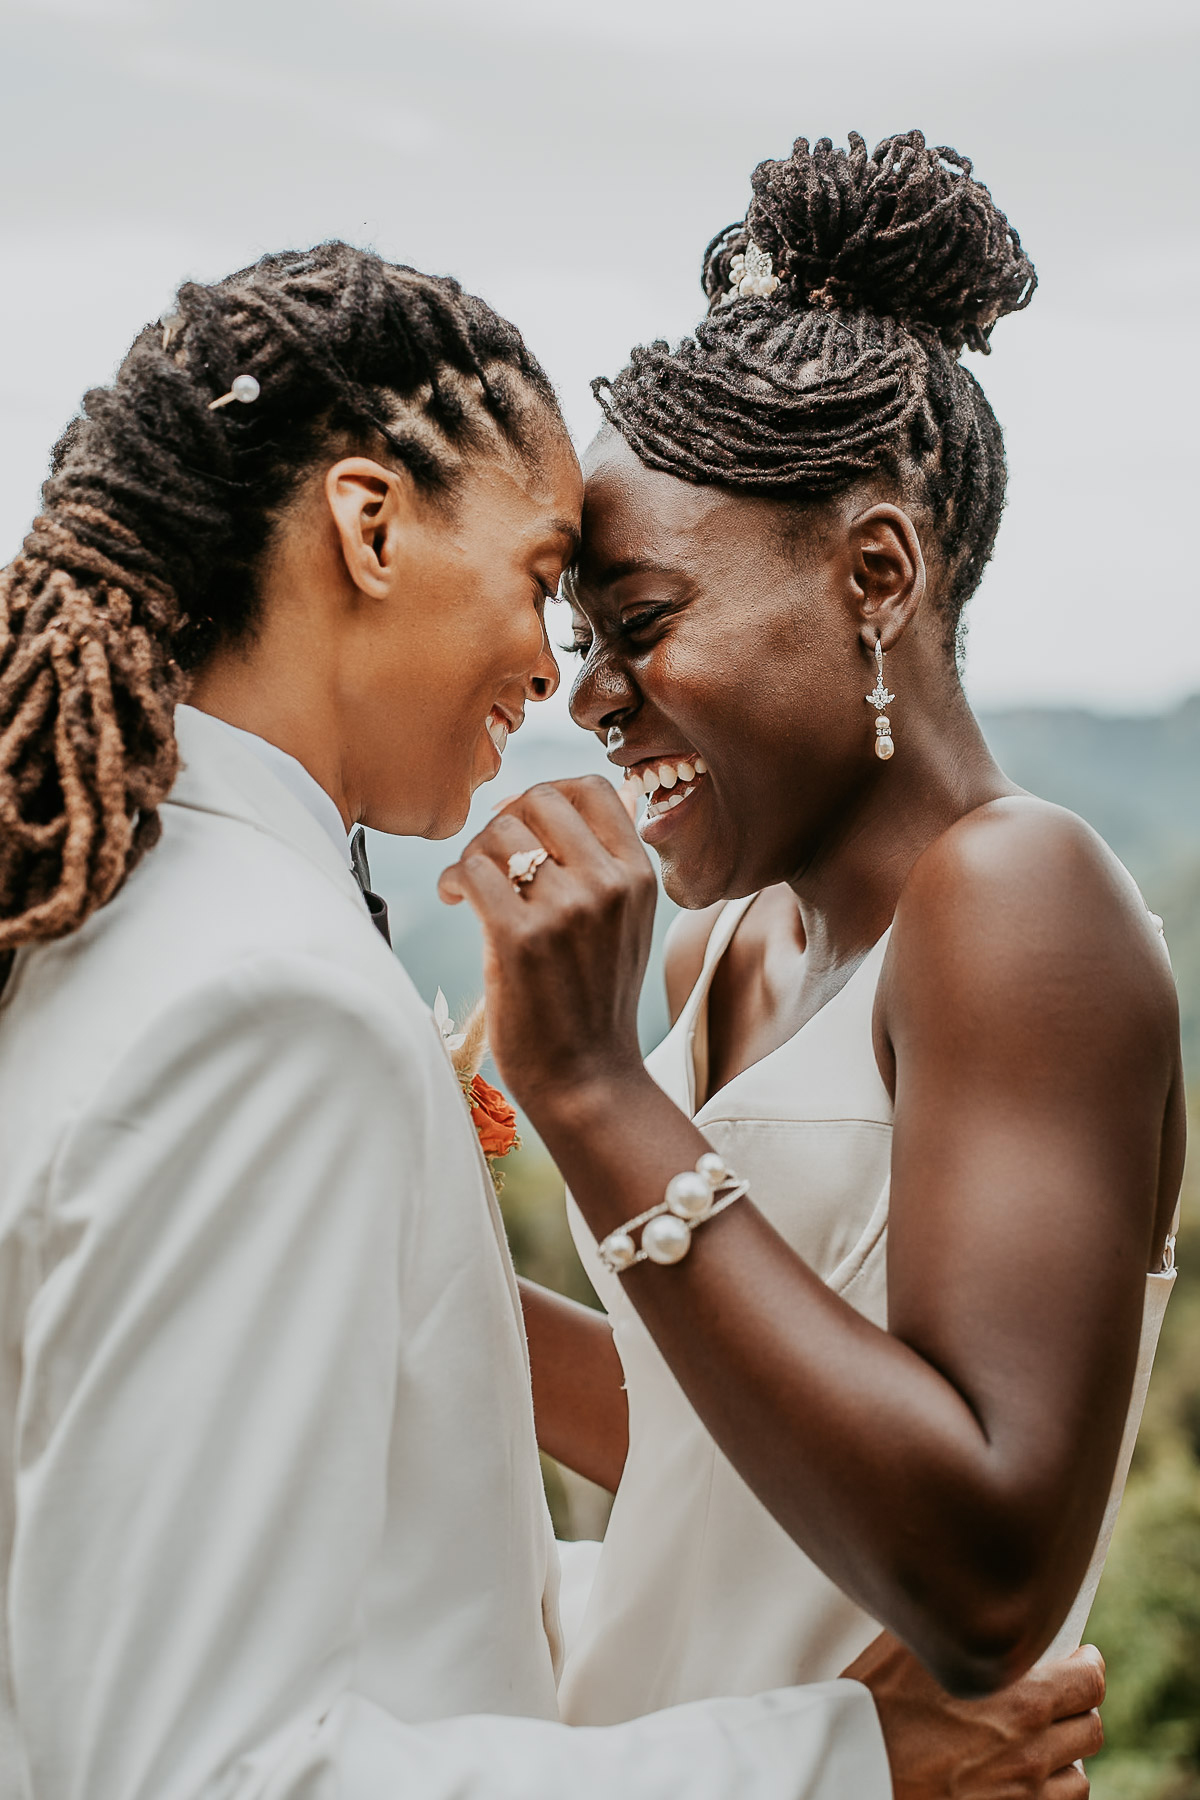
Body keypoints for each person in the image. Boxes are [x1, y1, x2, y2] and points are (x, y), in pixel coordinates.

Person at [0, 241, 1103, 1799]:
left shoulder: (102, 927)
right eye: (546, 589)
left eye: (614, 615)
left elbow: (391, 1560)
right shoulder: (262, 1003)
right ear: (367, 527)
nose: (557, 674)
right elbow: (200, 1765)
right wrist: (826, 1762)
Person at [438, 131, 1184, 1726]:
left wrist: (590, 1093)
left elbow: (985, 1576)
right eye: (581, 639)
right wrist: (413, 1264)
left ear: (875, 573)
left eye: (641, 625)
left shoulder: (1017, 900)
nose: (588, 695)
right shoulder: (727, 950)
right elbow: (722, 1444)